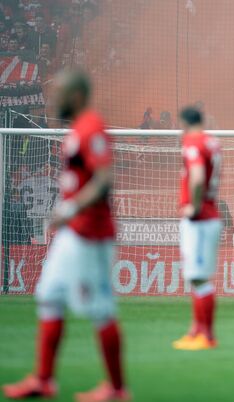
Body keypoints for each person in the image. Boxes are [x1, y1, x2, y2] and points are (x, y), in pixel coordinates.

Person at [2, 70, 130, 401]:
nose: (53, 99)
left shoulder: (91, 127)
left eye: (58, 93)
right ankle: (43, 380)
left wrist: (71, 209)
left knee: (100, 308)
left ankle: (116, 388)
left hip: (91, 233)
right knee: (49, 294)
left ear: (75, 95)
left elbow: (104, 178)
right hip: (73, 232)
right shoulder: (76, 130)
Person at [172, 106, 222, 351]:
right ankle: (196, 331)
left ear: (183, 122)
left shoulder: (193, 140)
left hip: (200, 219)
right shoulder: (213, 142)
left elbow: (198, 176)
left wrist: (193, 205)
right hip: (208, 216)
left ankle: (207, 335)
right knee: (195, 276)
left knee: (200, 278)